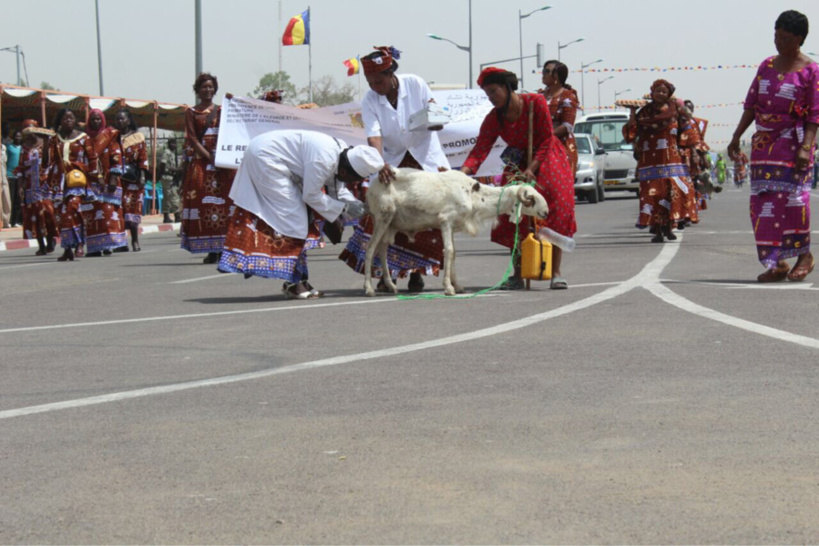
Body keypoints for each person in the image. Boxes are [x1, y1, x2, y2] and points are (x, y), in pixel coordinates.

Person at [218, 130, 382, 298]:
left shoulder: (340, 158)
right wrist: (345, 208)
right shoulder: (324, 160)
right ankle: (294, 282)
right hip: (266, 158)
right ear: (345, 172)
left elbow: (336, 190)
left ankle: (299, 280)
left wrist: (357, 205)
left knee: (300, 221)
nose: (352, 183)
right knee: (294, 220)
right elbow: (311, 196)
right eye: (352, 180)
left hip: (276, 159)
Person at [338, 46, 449, 293]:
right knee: (387, 219)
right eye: (370, 82)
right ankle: (387, 275)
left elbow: (434, 110)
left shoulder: (415, 84)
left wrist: (436, 120)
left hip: (424, 159)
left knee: (426, 218)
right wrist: (380, 164)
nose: (375, 87)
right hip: (392, 164)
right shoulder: (370, 99)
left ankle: (416, 273)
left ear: (391, 74)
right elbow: (374, 135)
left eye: (379, 81)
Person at [460, 67, 576, 289]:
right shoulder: (494, 118)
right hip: (518, 165)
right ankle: (518, 274)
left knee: (555, 210)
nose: (491, 98)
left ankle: (555, 273)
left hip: (547, 159)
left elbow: (546, 139)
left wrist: (532, 168)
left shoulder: (535, 103)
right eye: (487, 94)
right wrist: (460, 175)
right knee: (512, 212)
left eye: (493, 91)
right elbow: (480, 150)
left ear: (506, 87)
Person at [728, 10, 817, 283]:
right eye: (776, 37)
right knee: (763, 203)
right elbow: (751, 105)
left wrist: (806, 147)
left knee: (794, 201)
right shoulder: (766, 66)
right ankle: (776, 262)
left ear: (799, 39)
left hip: (794, 144)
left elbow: (815, 115)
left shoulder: (811, 71)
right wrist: (736, 136)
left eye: (785, 38)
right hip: (764, 145)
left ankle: (804, 256)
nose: (778, 43)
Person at [623, 79, 694, 243]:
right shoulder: (645, 113)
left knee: (672, 193)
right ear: (652, 93)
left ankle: (669, 226)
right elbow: (632, 132)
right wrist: (632, 113)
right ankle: (657, 230)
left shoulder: (675, 110)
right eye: (658, 91)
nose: (661, 94)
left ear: (669, 94)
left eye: (664, 91)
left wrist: (692, 151)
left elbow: (688, 123)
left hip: (672, 160)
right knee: (654, 196)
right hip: (650, 161)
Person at [180, 72, 235, 264]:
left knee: (224, 205)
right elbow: (193, 139)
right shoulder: (191, 112)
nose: (208, 90)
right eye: (204, 87)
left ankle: (224, 247)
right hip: (202, 164)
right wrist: (210, 157)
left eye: (211, 86)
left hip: (223, 165)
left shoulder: (223, 110)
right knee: (204, 205)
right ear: (197, 90)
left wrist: (234, 103)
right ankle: (211, 249)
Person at [47, 108, 99, 261]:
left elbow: (92, 159)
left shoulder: (83, 138)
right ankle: (67, 248)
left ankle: (80, 244)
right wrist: (45, 141)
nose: (68, 120)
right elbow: (47, 161)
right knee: (60, 215)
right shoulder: (55, 139)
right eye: (65, 118)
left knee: (73, 210)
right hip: (59, 182)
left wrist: (94, 178)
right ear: (60, 121)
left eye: (71, 118)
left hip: (77, 180)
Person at [83, 109, 127, 256]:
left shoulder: (110, 135)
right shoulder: (85, 138)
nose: (96, 122)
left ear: (102, 120)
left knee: (107, 212)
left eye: (98, 119)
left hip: (108, 180)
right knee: (92, 214)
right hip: (91, 180)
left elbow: (116, 155)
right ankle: (94, 248)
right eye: (93, 119)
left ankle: (108, 245)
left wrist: (114, 177)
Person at [17, 120, 58, 254]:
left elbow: (48, 161)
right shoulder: (24, 148)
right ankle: (41, 245)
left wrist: (46, 142)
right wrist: (21, 187)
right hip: (30, 186)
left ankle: (50, 239)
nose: (30, 134)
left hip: (45, 185)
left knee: (47, 212)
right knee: (34, 215)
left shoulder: (46, 144)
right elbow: (21, 168)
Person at [114, 109, 148, 252]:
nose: (120, 121)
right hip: (117, 179)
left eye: (123, 118)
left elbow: (143, 157)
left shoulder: (137, 137)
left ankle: (135, 240)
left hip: (134, 179)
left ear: (128, 120)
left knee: (133, 210)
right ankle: (122, 243)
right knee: (119, 211)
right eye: (118, 119)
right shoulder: (112, 137)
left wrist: (142, 176)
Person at [540, 60, 580, 174]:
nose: (543, 74)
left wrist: (547, 136)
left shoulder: (568, 96)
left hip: (560, 146)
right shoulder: (539, 96)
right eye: (543, 71)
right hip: (539, 145)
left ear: (556, 76)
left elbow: (567, 126)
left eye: (547, 71)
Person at [159, 137, 181, 224]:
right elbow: (162, 164)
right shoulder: (167, 152)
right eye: (172, 143)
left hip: (170, 177)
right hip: (167, 177)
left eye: (175, 143)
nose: (174, 145)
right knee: (173, 195)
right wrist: (172, 170)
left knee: (167, 197)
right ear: (168, 144)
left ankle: (166, 216)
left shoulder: (172, 153)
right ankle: (177, 215)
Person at [6, 130, 23, 227]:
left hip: (19, 177)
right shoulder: (9, 147)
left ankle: (16, 221)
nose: (18, 138)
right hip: (10, 175)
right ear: (13, 137)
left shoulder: (23, 148)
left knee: (18, 199)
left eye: (19, 136)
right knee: (11, 198)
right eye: (16, 136)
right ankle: (9, 220)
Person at [1, 141, 11, 229]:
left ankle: (6, 221)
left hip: (4, 176)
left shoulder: (4, 148)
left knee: (7, 200)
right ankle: (1, 221)